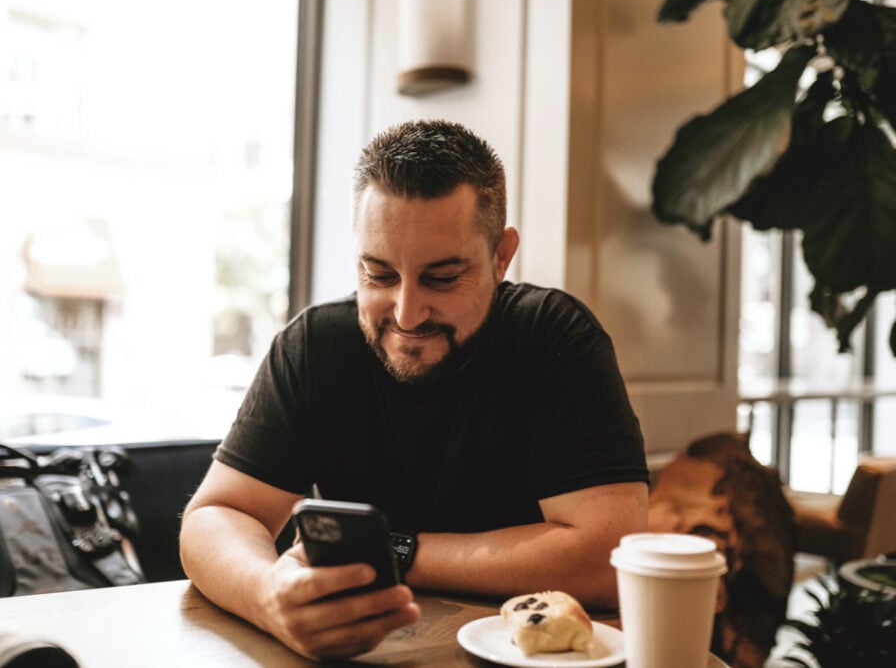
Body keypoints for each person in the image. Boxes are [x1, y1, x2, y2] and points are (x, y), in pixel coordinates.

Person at [180, 119, 649, 660]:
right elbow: (214, 516)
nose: (406, 313)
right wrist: (268, 595)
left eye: (442, 277)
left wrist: (394, 551)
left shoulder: (554, 337)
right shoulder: (315, 346)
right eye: (378, 274)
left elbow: (608, 553)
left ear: (501, 255)